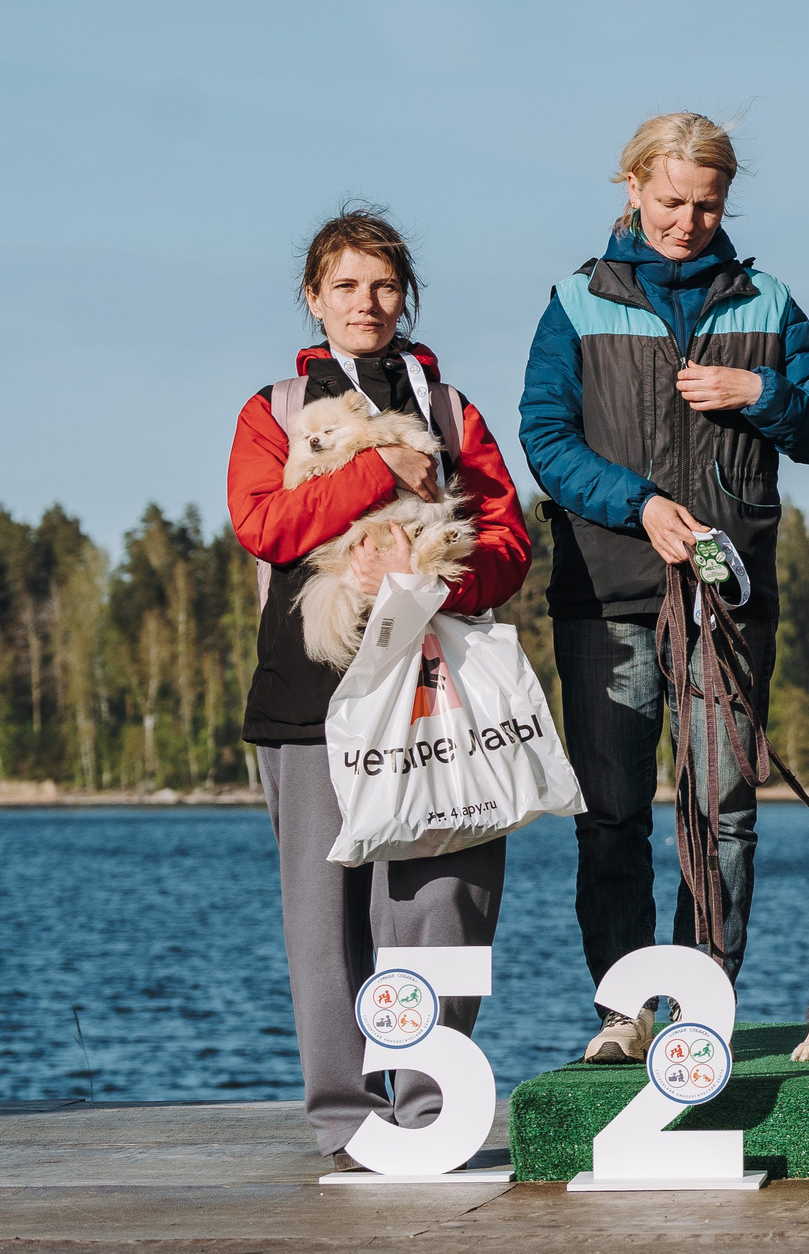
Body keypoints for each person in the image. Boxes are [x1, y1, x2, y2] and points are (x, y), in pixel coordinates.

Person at [519, 113, 809, 1062]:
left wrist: (763, 396)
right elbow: (546, 441)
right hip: (608, 597)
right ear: (629, 187)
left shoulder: (768, 301)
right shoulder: (575, 305)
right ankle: (624, 1014)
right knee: (612, 814)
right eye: (670, 201)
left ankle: (703, 1001)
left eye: (708, 205)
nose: (688, 221)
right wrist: (640, 506)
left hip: (729, 601)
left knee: (724, 813)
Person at [229, 208, 530, 1167]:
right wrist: (376, 475)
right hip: (310, 696)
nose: (367, 303)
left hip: (436, 686)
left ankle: (429, 1112)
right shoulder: (270, 410)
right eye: (346, 286)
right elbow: (263, 525)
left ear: (406, 298)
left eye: (384, 285)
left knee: (443, 897)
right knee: (326, 922)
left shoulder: (451, 409)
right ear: (314, 299)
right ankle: (346, 1122)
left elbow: (509, 538)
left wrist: (441, 579)